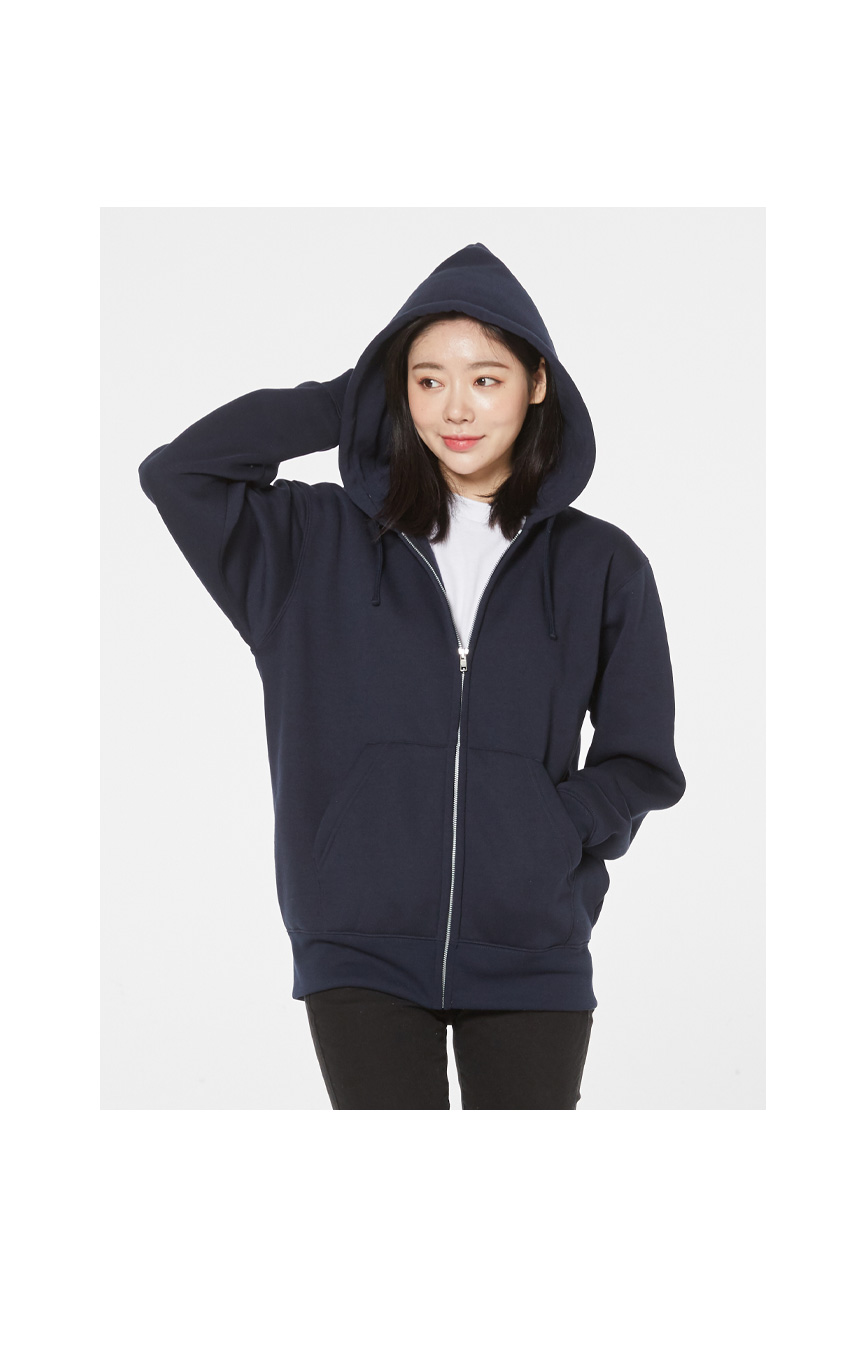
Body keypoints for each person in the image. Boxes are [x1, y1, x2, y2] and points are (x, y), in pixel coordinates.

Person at [138, 241, 686, 1109]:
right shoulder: (309, 545)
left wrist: (549, 830)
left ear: (538, 383)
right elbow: (179, 473)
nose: (454, 408)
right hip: (358, 951)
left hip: (532, 951)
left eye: (485, 379)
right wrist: (351, 397)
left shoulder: (601, 565)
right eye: (427, 380)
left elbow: (642, 759)